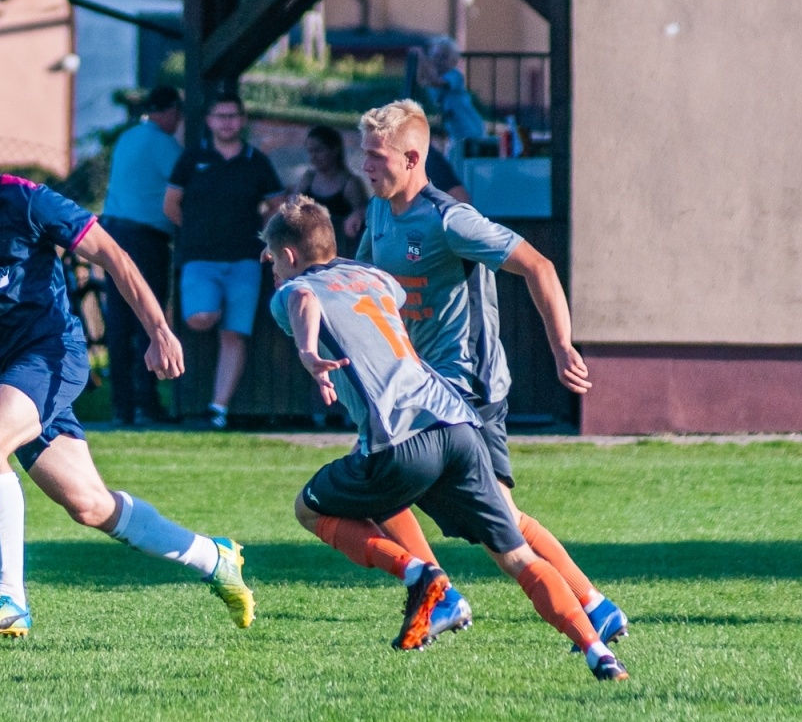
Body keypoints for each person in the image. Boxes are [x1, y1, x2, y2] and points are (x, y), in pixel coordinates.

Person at [0, 100, 254, 637]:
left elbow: (115, 258)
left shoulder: (30, 203)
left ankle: (12, 602)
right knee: (91, 506)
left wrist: (159, 330)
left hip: (53, 355)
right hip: (6, 373)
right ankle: (214, 559)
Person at [262, 195, 628, 681]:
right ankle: (598, 652)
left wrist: (309, 350)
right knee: (514, 553)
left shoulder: (292, 291)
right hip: (456, 425)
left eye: (272, 259)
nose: (271, 269)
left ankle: (421, 575)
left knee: (309, 509)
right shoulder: (376, 279)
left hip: (399, 438)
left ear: (288, 256)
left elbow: (305, 297)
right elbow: (385, 301)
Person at [353, 100, 629, 648]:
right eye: (362, 154)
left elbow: (539, 267)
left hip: (467, 391)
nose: (365, 166)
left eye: (375, 156)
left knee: (397, 481)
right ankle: (589, 606)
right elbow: (364, 281)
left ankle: (448, 595)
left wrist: (561, 345)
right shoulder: (380, 213)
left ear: (412, 158)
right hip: (420, 387)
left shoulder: (449, 219)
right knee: (480, 510)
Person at [163, 93, 285, 429]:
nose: (227, 122)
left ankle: (218, 409)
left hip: (245, 260)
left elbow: (278, 204)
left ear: (242, 120)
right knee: (201, 316)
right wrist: (197, 231)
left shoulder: (256, 160)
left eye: (233, 115)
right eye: (221, 116)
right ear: (209, 120)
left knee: (234, 334)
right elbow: (171, 205)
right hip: (199, 258)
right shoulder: (192, 159)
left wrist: (263, 237)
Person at [99, 85, 182, 425]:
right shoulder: (166, 145)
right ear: (170, 112)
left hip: (112, 233)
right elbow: (183, 185)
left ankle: (121, 405)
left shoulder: (127, 137)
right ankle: (147, 403)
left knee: (118, 321)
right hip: (145, 238)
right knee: (148, 318)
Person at [291, 124, 369, 257]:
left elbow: (363, 218)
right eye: (310, 151)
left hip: (340, 253)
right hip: (308, 252)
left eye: (318, 150)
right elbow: (291, 208)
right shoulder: (308, 178)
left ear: (335, 150)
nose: (313, 157)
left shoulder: (350, 184)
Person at [409, 37, 486, 167]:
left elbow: (436, 82)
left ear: (453, 61)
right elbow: (423, 80)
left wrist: (422, 56)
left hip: (470, 129)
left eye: (444, 57)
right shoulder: (435, 80)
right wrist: (420, 62)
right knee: (453, 163)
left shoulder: (454, 75)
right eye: (436, 56)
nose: (439, 61)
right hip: (456, 132)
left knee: (466, 164)